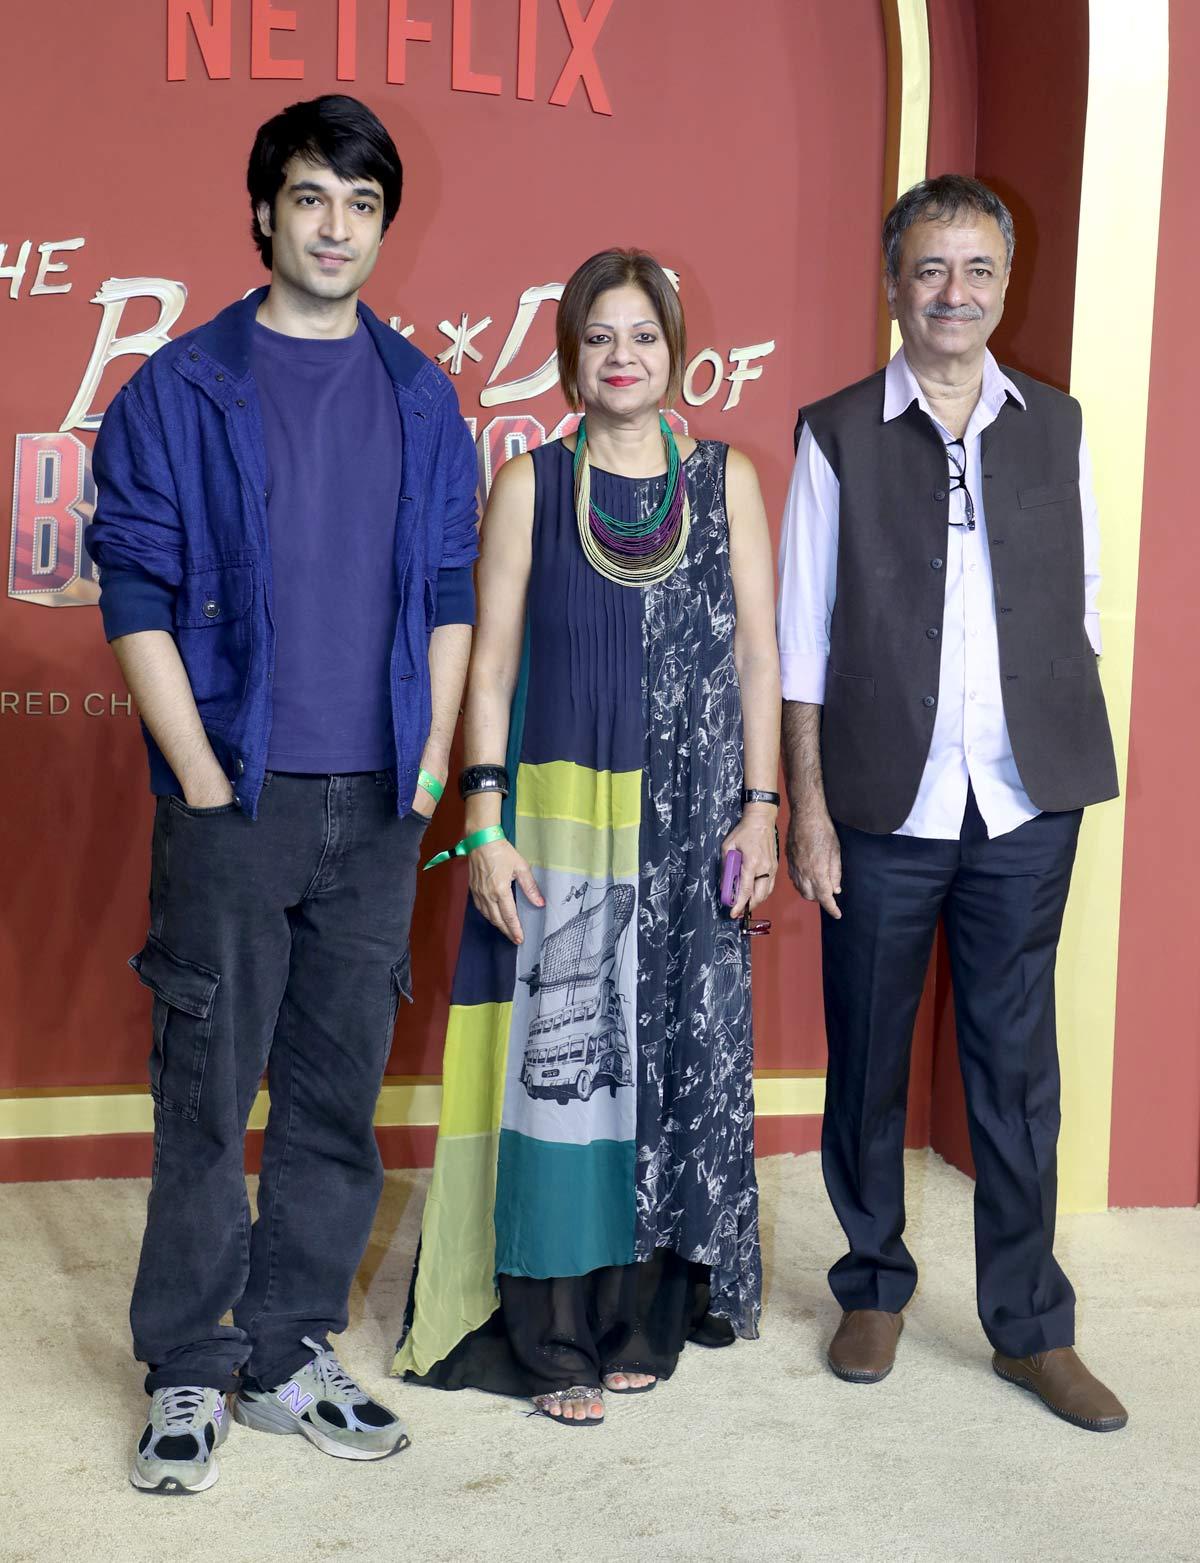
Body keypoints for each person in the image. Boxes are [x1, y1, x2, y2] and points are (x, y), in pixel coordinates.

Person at [89, 94, 479, 1493]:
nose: (335, 227)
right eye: (311, 197)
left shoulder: (421, 394)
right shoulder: (179, 389)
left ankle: (286, 1345)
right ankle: (189, 1362)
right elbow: (133, 592)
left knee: (334, 1089)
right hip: (236, 799)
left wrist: (427, 766)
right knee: (207, 1092)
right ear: (264, 212)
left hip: (377, 803)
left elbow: (449, 591)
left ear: (383, 226)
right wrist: (199, 777)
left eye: (361, 204)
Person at [393, 248, 781, 1425]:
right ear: (570, 358)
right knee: (564, 1069)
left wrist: (762, 807)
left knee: (665, 1058)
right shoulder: (529, 482)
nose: (624, 357)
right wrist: (484, 820)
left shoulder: (725, 481)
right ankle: (551, 1330)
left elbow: (759, 656)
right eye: (600, 337)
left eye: (644, 336)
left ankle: (641, 1318)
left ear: (676, 353)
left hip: (692, 823)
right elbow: (490, 666)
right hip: (558, 821)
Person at [777, 174, 1128, 1432]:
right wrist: (810, 809)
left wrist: (1050, 733)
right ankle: (872, 1285)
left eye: (978, 269)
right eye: (931, 269)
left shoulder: (1057, 426)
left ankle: (1032, 1327)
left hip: (1025, 802)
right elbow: (801, 641)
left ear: (1005, 285)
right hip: (882, 801)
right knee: (868, 1055)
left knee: (1017, 1072)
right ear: (894, 284)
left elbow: (1082, 603)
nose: (954, 293)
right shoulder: (835, 432)